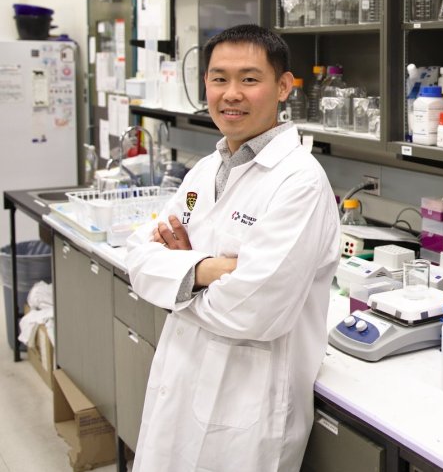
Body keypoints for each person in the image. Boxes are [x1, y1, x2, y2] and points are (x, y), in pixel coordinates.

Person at [125, 24, 340, 471]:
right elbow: (140, 256)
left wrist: (177, 283)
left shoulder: (298, 182)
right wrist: (210, 269)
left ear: (283, 87)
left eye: (249, 79)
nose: (231, 94)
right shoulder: (204, 172)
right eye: (219, 79)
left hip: (246, 409)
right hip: (179, 381)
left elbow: (255, 310)